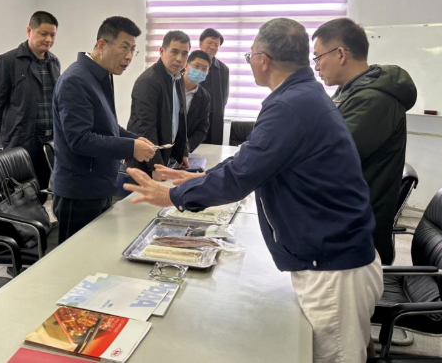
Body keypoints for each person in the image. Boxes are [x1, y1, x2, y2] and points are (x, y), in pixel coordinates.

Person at [124, 18, 383, 363]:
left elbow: (240, 176)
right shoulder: (301, 96)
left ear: (263, 59)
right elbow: (251, 159)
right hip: (333, 256)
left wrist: (170, 195)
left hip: (333, 269)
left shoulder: (290, 105)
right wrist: (196, 178)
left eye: (250, 56)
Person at [312, 18, 417, 265]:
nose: (316, 67)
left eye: (318, 57)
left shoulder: (374, 100)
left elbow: (328, 159)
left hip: (354, 234)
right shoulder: (350, 92)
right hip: (341, 217)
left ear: (340, 54)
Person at [52, 16, 155, 244]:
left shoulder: (100, 75)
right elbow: (80, 139)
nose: (129, 56)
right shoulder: (75, 80)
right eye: (124, 47)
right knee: (76, 259)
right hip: (79, 192)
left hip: (100, 185)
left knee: (97, 254)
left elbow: (107, 125)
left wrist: (135, 139)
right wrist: (130, 148)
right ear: (101, 45)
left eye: (133, 49)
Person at [0, 11, 60, 191]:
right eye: (44, 33)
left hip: (49, 140)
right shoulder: (7, 61)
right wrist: (11, 131)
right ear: (29, 31)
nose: (48, 40)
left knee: (43, 189)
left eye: (52, 35)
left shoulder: (54, 62)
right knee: (20, 192)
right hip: (21, 140)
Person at [127, 30, 190, 180]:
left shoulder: (178, 78)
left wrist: (182, 153)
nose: (179, 59)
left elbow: (179, 120)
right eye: (174, 52)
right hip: (145, 162)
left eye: (184, 54)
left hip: (165, 157)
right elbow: (145, 127)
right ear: (162, 51)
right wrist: (156, 166)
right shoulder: (149, 81)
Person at [199, 28, 230, 145]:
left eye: (216, 45)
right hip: (192, 119)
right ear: (200, 43)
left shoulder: (223, 69)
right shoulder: (188, 65)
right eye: (209, 43)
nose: (212, 47)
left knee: (213, 150)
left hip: (214, 120)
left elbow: (224, 97)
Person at [183, 50, 211, 153]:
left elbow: (202, 128)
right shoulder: (170, 86)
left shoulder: (204, 97)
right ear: (186, 66)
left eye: (204, 69)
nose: (200, 71)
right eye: (196, 66)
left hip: (184, 150)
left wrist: (188, 147)